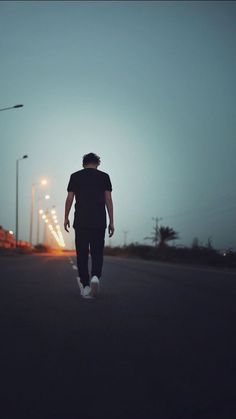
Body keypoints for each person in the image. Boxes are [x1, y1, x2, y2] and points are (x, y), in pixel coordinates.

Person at [64, 153, 114, 298]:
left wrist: (65, 217)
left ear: (83, 163)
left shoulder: (75, 176)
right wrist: (111, 221)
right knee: (97, 252)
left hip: (81, 221)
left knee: (82, 254)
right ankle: (96, 277)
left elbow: (69, 199)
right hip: (99, 221)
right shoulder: (104, 177)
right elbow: (108, 200)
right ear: (98, 163)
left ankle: (86, 286)